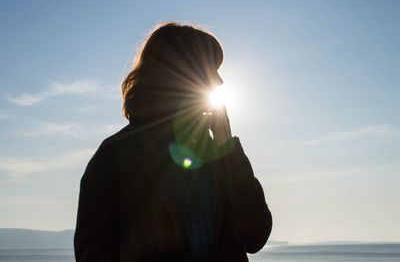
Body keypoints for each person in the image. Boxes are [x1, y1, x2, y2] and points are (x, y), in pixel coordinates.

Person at [74, 22, 272, 262]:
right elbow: (94, 251)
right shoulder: (115, 155)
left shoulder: (216, 151)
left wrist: (226, 148)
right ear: (180, 73)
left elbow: (255, 236)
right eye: (211, 68)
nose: (219, 81)